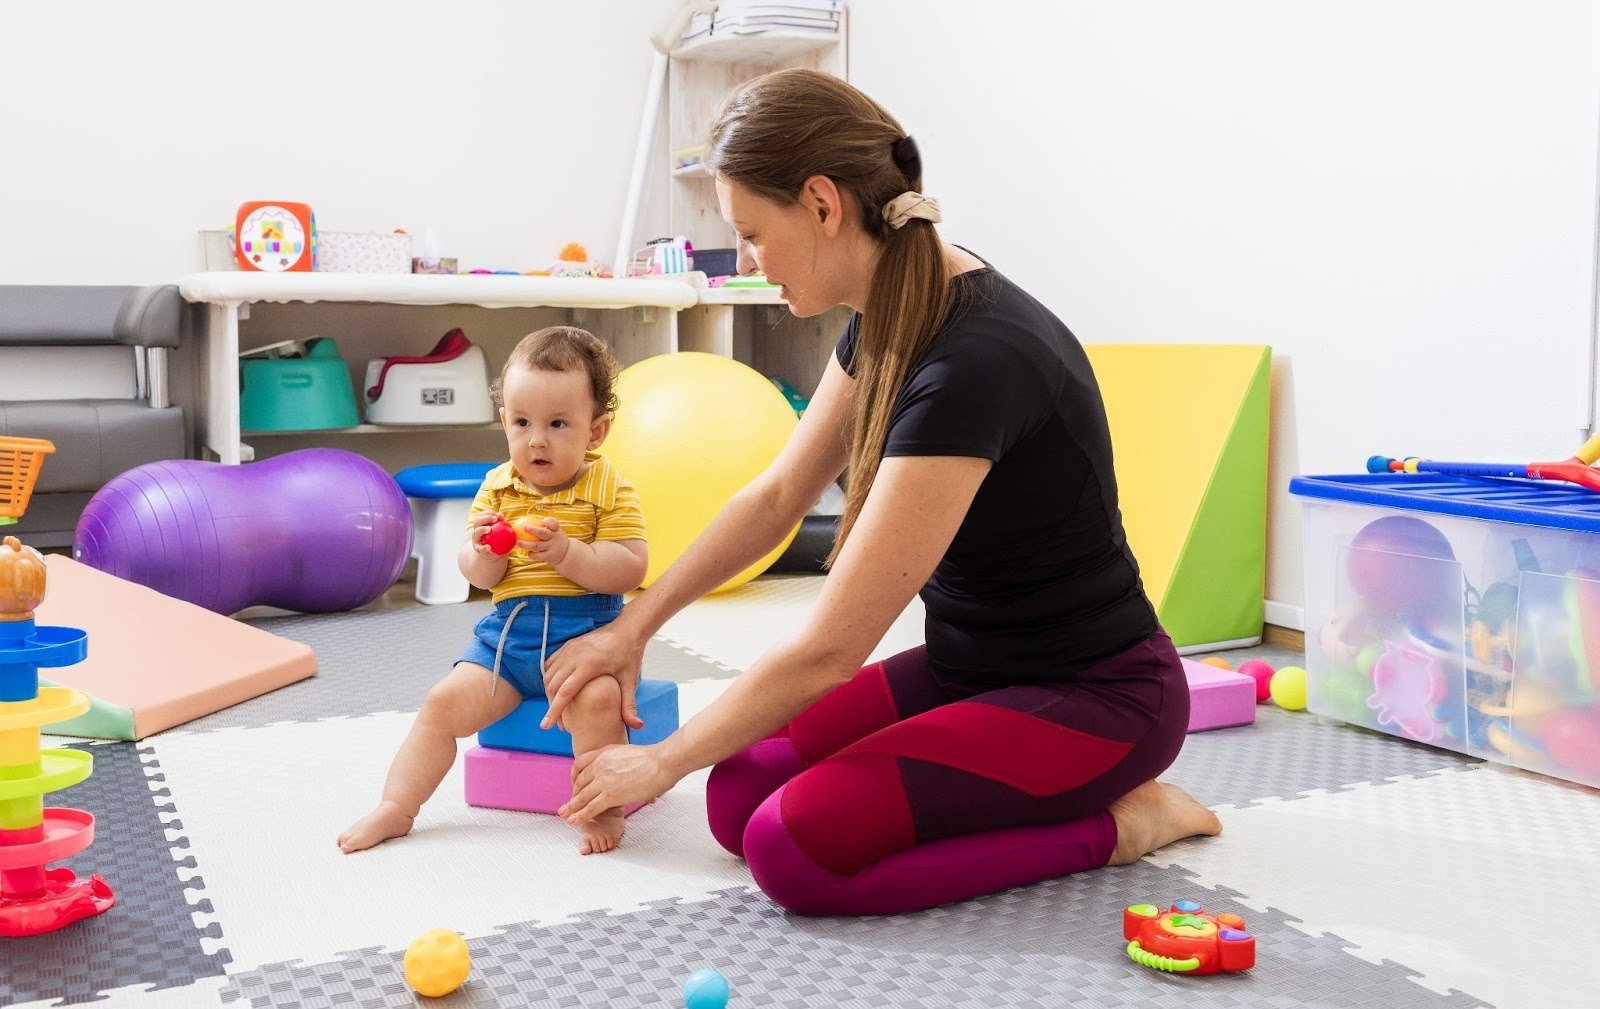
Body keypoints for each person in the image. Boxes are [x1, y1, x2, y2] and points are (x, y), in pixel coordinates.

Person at [540, 68, 1221, 915]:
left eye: (752, 233)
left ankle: (1125, 822)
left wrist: (660, 758)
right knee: (738, 794)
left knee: (791, 851)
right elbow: (780, 492)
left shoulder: (977, 359)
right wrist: (632, 629)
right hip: (970, 669)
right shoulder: (892, 311)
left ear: (823, 204)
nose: (748, 263)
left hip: (1094, 700)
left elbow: (831, 649)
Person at [337, 326, 648, 856]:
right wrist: (484, 553)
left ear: (595, 432)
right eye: (522, 422)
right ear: (504, 420)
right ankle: (397, 806)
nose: (537, 440)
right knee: (439, 705)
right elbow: (477, 576)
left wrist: (571, 554)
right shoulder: (497, 487)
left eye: (557, 424)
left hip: (584, 642)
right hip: (506, 642)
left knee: (597, 705)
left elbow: (631, 567)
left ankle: (605, 809)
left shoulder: (607, 487)